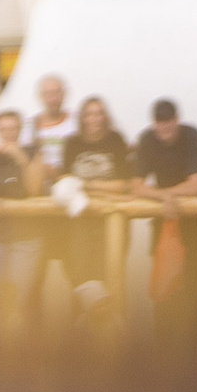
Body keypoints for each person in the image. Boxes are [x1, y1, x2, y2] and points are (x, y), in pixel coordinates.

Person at [133, 98, 197, 354]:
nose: (164, 126)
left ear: (177, 120)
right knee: (163, 286)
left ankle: (193, 353)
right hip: (165, 222)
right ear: (154, 123)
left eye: (168, 121)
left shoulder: (192, 136)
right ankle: (162, 352)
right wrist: (166, 197)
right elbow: (136, 185)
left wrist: (166, 194)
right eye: (159, 122)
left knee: (196, 287)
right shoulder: (146, 139)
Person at [52, 98, 132, 293]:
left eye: (99, 113)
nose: (95, 118)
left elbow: (123, 184)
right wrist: (99, 188)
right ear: (82, 118)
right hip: (79, 217)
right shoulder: (72, 142)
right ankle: (84, 318)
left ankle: (111, 319)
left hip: (111, 215)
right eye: (90, 114)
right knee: (79, 272)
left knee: (110, 273)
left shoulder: (116, 140)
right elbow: (65, 181)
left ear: (105, 117)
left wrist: (86, 185)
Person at [0, 110, 43, 329]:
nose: (8, 133)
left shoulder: (32, 152)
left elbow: (34, 190)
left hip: (25, 237)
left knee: (18, 300)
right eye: (3, 129)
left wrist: (21, 159)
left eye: (12, 128)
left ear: (20, 130)